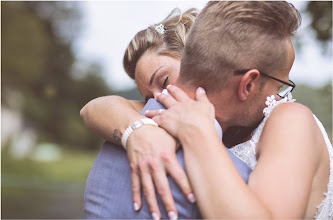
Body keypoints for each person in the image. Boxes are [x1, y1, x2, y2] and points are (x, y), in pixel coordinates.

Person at [143, 1, 332, 218]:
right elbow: (100, 109)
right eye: (279, 86)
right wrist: (132, 133)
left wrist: (199, 135)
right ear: (248, 84)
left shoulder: (291, 120)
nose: (280, 98)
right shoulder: (170, 117)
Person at [81, 8, 252, 220]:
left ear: (199, 57)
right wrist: (137, 131)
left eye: (163, 81)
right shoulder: (159, 112)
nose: (158, 100)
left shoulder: (277, 119)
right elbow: (92, 109)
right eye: (147, 97)